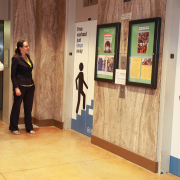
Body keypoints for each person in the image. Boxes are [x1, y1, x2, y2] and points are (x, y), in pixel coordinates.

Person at [9, 40, 35, 135]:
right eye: (26, 46)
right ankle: (13, 127)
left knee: (28, 107)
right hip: (20, 86)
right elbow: (13, 75)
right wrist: (16, 87)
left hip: (30, 86)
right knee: (16, 106)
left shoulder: (27, 56)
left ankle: (29, 127)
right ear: (20, 48)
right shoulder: (16, 58)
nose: (28, 47)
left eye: (28, 46)